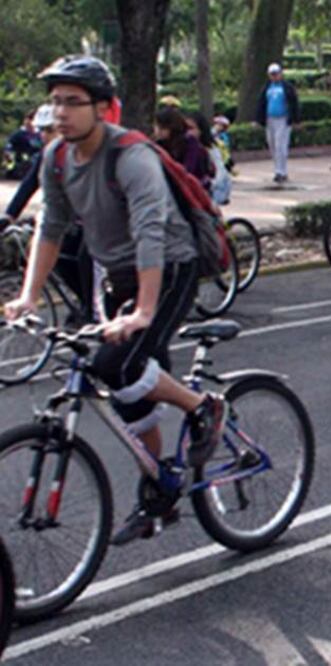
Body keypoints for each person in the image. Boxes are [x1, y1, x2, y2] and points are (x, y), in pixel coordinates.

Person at [5, 55, 226, 544]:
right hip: (118, 273)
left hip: (170, 264)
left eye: (72, 102)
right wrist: (29, 297)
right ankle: (162, 486)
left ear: (104, 108)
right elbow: (52, 227)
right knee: (132, 389)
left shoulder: (132, 156)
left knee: (117, 365)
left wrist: (145, 311)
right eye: (54, 101)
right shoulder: (57, 158)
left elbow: (150, 232)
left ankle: (203, 406)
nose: (59, 113)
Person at [1, 104, 95, 324]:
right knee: (58, 258)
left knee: (85, 257)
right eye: (41, 131)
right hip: (67, 219)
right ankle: (84, 303)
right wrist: (9, 216)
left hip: (96, 220)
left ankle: (93, 308)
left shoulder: (82, 151)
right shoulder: (48, 155)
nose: (44, 136)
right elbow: (28, 185)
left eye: (49, 131)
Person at [255, 63, 300, 183]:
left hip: (283, 119)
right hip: (270, 119)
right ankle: (277, 168)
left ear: (281, 74)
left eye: (276, 74)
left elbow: (294, 103)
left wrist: (295, 119)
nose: (274, 76)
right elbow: (261, 104)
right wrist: (259, 120)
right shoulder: (267, 88)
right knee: (272, 144)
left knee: (281, 145)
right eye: (272, 74)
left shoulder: (287, 87)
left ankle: (281, 171)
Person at [154, 106, 214, 193]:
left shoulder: (189, 142)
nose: (158, 131)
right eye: (156, 126)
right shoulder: (159, 144)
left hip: (194, 191)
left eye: (162, 127)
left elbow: (188, 169)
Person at [4, 110, 42, 179]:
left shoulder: (39, 134)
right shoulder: (18, 134)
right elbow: (9, 147)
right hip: (22, 163)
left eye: (31, 120)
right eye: (28, 119)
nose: (29, 122)